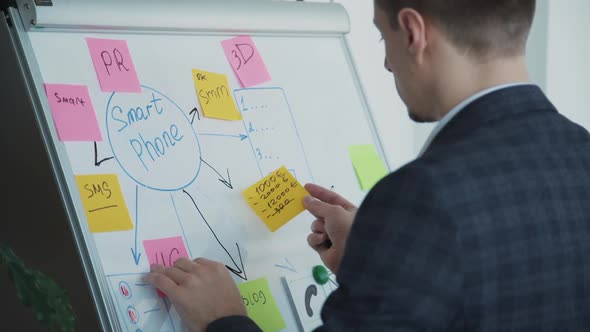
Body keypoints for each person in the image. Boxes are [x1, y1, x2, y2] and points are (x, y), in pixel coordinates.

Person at [145, 0, 590, 331]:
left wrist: (222, 319)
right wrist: (380, 257)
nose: (385, 61)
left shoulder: (422, 197)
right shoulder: (580, 154)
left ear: (413, 31)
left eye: (383, 36)